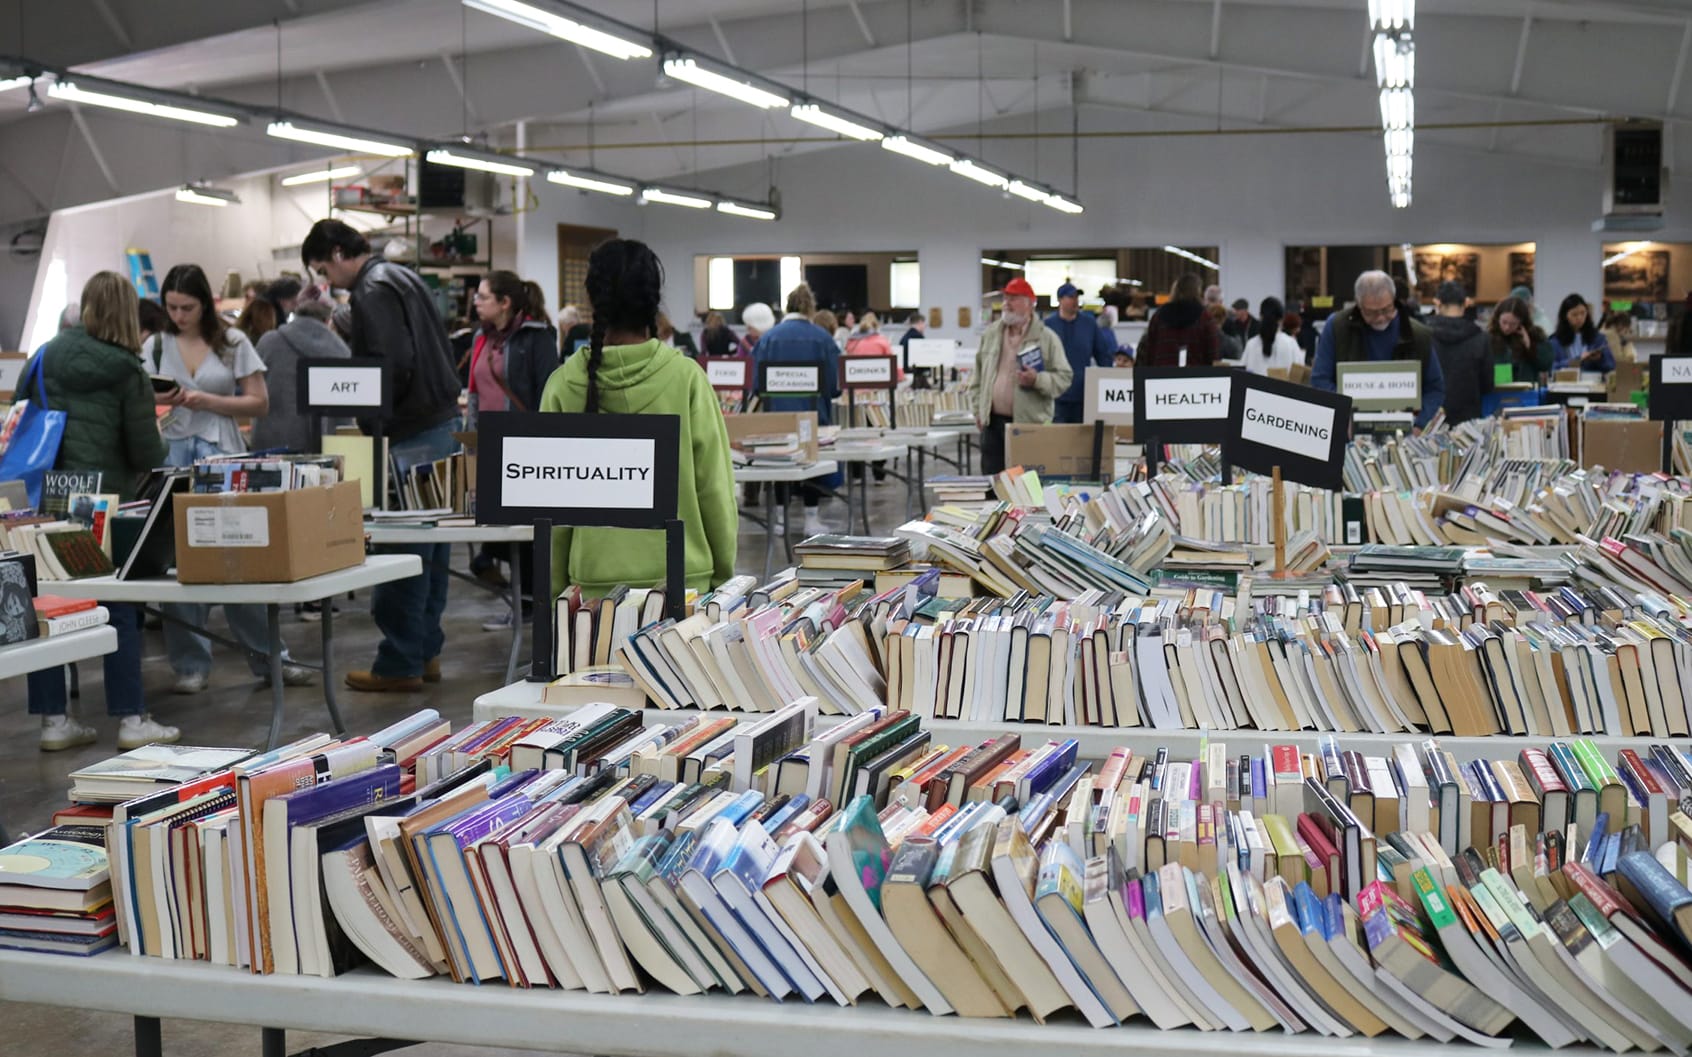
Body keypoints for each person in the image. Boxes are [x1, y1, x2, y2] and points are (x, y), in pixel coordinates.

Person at [301, 218, 462, 693]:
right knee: (431, 549)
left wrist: (372, 421)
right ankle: (424, 652)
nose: (326, 282)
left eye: (322, 270)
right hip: (441, 422)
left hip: (410, 429)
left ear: (335, 252)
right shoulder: (401, 275)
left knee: (402, 550)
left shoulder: (371, 288)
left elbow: (393, 363)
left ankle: (398, 662)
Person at [27, 272, 176, 751]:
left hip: (49, 497)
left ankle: (54, 720)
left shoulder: (44, 356)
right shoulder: (128, 370)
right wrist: (164, 431)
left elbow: (22, 420)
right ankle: (131, 718)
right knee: (119, 608)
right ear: (129, 313)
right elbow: (145, 453)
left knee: (46, 607)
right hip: (105, 503)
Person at [540, 238, 736, 598]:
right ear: (653, 299)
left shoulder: (563, 385)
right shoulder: (687, 378)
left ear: (592, 300)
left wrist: (555, 593)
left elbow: (552, 512)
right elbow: (715, 489)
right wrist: (723, 578)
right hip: (685, 580)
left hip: (591, 589)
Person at [151, 263, 312, 694]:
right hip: (174, 455)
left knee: (240, 560)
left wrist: (209, 400)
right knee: (178, 565)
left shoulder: (233, 342)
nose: (179, 314)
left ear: (205, 304)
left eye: (187, 306)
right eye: (172, 307)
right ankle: (190, 664)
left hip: (222, 456)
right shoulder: (154, 344)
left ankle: (271, 658)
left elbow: (259, 403)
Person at [751, 284, 841, 535]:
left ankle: (779, 517)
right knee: (811, 459)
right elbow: (834, 386)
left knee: (779, 462)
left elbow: (757, 386)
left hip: (777, 413)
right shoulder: (823, 338)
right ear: (811, 307)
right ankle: (811, 518)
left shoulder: (767, 338)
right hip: (813, 416)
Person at [1312, 270, 1445, 429]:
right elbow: (1319, 380)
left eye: (1387, 309)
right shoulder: (1337, 327)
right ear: (1358, 305)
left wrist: (1420, 425)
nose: (1381, 317)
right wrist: (1344, 413)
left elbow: (1435, 388)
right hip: (1349, 431)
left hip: (1405, 434)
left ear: (1395, 300)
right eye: (1371, 313)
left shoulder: (1418, 334)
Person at [966, 277, 1072, 476]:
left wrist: (1037, 380)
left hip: (1029, 425)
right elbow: (978, 377)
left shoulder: (1047, 338)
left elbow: (1064, 377)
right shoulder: (990, 334)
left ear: (1029, 304)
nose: (1006, 303)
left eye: (1013, 298)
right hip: (992, 424)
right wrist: (978, 410)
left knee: (1026, 487)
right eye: (1006, 297)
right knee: (992, 484)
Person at [249, 300, 351, 452]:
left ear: (295, 316)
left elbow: (252, 387)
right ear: (327, 320)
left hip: (270, 439)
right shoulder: (339, 350)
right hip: (320, 444)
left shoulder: (269, 341)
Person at [1045, 281, 1117, 423]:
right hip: (1057, 395)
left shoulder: (1089, 323)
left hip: (1083, 393)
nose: (1075, 301)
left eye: (1077, 297)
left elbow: (1102, 353)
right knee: (1058, 437)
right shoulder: (1048, 325)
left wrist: (1110, 379)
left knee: (1080, 438)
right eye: (1071, 297)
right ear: (1060, 300)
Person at [1427, 280, 1493, 426]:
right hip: (1469, 419)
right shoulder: (1481, 338)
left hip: (1431, 418)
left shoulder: (1425, 336)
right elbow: (1487, 384)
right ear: (1465, 304)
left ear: (1438, 304)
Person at [1136, 273, 1221, 368]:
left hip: (1161, 374)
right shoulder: (1204, 317)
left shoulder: (1158, 316)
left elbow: (1149, 350)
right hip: (1196, 375)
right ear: (1198, 291)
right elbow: (1213, 353)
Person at [1546, 293, 1614, 372]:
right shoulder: (1555, 341)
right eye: (1574, 314)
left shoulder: (1598, 338)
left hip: (1592, 382)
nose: (1579, 318)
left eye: (1583, 313)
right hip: (1565, 382)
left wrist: (1601, 358)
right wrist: (1574, 362)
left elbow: (1611, 366)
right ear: (1565, 316)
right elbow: (1550, 367)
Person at [1490, 295, 1551, 383]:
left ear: (1521, 322)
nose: (1507, 327)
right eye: (1504, 322)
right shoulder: (1489, 338)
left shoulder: (1535, 336)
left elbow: (1546, 364)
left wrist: (1529, 346)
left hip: (1527, 392)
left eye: (1513, 324)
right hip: (1499, 391)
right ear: (1497, 318)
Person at [1240, 296, 1300, 376]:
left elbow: (1241, 374)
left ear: (1261, 317)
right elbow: (1299, 376)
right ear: (1281, 319)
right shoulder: (1291, 344)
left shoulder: (1251, 344)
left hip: (1254, 388)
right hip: (1282, 388)